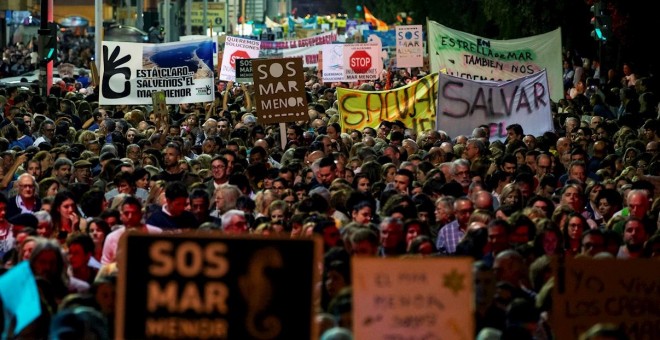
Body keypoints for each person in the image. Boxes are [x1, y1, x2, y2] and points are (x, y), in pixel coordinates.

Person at [102, 196, 162, 265]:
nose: (130, 217)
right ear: (121, 216)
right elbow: (105, 268)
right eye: (126, 213)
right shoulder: (111, 238)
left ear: (141, 214)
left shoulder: (157, 234)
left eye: (134, 213)